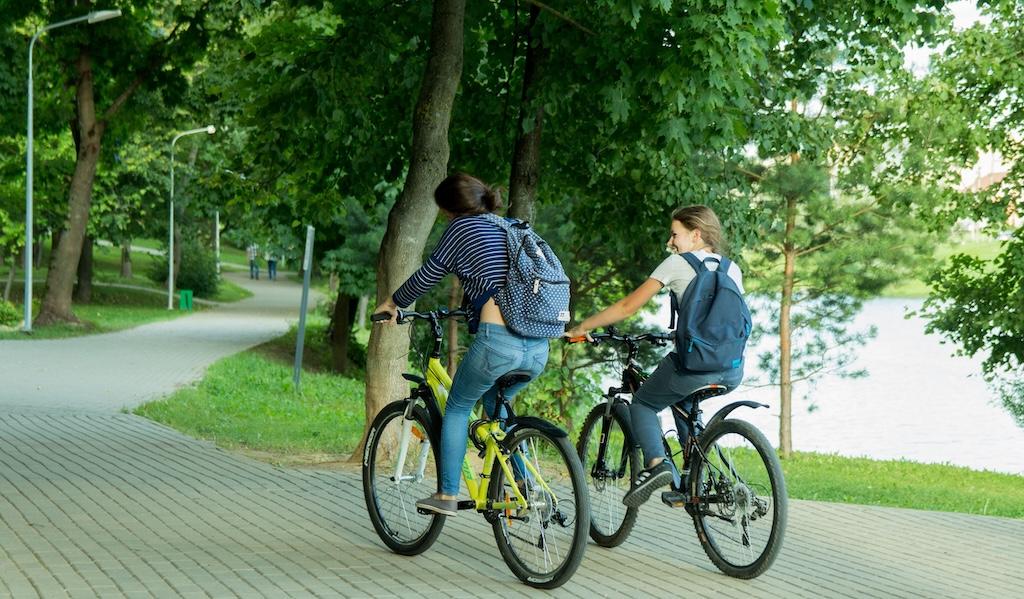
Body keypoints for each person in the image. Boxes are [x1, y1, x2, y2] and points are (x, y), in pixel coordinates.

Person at [373, 172, 549, 516]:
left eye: (442, 211)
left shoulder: (462, 228)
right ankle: (523, 484)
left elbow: (429, 274)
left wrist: (393, 303)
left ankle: (447, 495)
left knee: (455, 408)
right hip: (539, 346)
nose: (443, 217)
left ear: (451, 208)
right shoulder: (508, 226)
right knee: (497, 409)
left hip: (498, 344)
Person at [566, 205, 745, 508]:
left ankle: (657, 465)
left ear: (696, 234)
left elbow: (626, 307)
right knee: (683, 401)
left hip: (694, 367)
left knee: (645, 403)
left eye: (675, 234)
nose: (671, 241)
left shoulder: (676, 264)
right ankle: (691, 483)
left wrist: (582, 327)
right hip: (731, 368)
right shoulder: (733, 268)